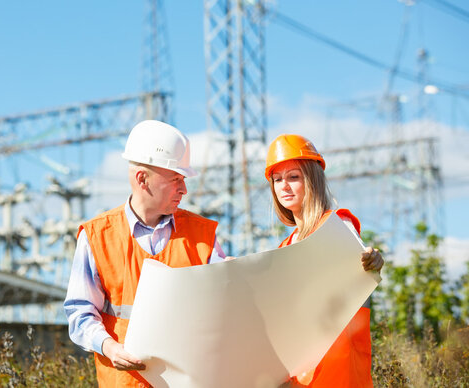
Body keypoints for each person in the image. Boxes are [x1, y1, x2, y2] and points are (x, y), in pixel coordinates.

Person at [63, 119, 226, 387]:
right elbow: (80, 312)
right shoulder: (97, 236)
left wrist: (235, 281)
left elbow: (224, 309)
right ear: (142, 179)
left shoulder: (203, 235)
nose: (184, 189)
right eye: (176, 179)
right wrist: (109, 347)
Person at [264, 134, 384, 388]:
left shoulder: (337, 225)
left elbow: (360, 268)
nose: (284, 186)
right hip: (298, 375)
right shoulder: (285, 247)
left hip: (337, 370)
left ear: (312, 179)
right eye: (277, 180)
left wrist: (371, 261)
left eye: (293, 177)